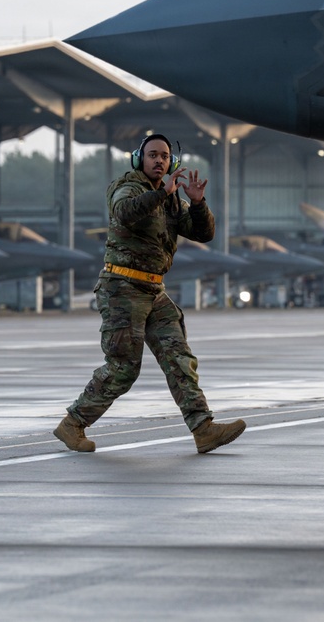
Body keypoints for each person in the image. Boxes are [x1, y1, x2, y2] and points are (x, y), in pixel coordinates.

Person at [54, 134, 246, 454]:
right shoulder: (128, 187)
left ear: (173, 162)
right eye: (153, 155)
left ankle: (203, 428)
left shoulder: (170, 199)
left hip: (154, 289)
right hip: (122, 289)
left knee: (178, 356)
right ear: (139, 160)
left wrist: (198, 204)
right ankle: (72, 424)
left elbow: (203, 233)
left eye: (165, 156)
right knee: (124, 368)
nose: (159, 160)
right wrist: (162, 194)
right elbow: (124, 212)